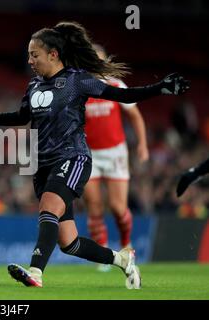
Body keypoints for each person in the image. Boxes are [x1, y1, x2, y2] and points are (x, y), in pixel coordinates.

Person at [0, 21, 189, 289]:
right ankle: (122, 260)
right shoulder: (34, 86)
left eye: (34, 54)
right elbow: (20, 117)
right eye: (29, 54)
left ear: (53, 54)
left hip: (73, 158)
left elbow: (122, 95)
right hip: (42, 165)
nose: (29, 60)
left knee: (49, 208)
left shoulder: (78, 80)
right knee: (69, 242)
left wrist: (161, 88)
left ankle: (36, 273)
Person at [83, 44, 149, 272]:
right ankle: (103, 254)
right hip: (89, 154)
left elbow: (135, 116)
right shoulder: (80, 89)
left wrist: (142, 144)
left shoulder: (115, 85)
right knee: (93, 205)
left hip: (115, 153)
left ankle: (126, 245)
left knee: (118, 208)